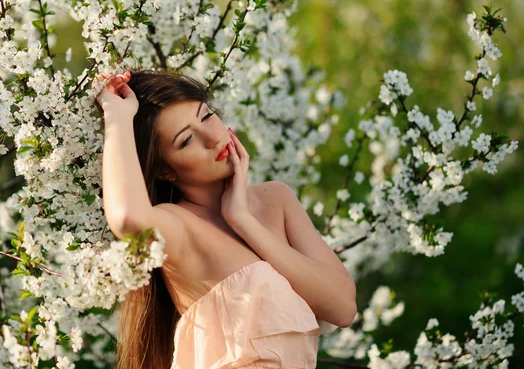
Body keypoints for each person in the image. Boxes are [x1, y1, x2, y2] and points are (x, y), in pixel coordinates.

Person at [94, 68, 357, 369]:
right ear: (166, 171)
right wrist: (117, 116)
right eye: (186, 140)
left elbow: (343, 308)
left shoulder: (276, 199)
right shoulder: (178, 225)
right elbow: (128, 217)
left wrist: (244, 221)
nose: (212, 138)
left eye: (206, 116)